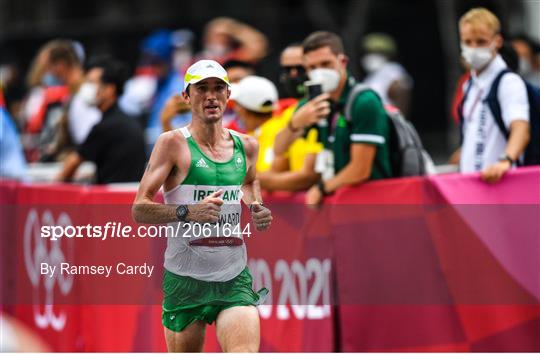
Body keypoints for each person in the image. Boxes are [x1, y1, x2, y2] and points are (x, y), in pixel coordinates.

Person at [131, 59, 272, 352]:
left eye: (218, 88)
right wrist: (188, 212)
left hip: (233, 278)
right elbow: (140, 209)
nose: (211, 96)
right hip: (185, 280)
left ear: (228, 94)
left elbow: (249, 181)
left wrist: (256, 205)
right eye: (201, 89)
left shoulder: (247, 145)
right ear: (187, 96)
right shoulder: (172, 144)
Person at [276, 32, 392, 206]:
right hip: (343, 206)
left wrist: (322, 188)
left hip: (376, 202)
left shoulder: (363, 101)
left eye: (326, 64)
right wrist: (294, 124)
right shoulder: (313, 102)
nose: (319, 72)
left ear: (342, 61)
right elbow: (279, 148)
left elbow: (360, 170)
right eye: (312, 67)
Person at [457, 8, 530, 182]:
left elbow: (521, 128)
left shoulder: (508, 82)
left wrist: (505, 160)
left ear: (497, 41)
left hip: (500, 186)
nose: (473, 48)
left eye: (481, 41)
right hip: (473, 186)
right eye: (467, 42)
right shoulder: (469, 84)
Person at [56, 57, 146, 184]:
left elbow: (72, 164)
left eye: (91, 83)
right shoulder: (128, 122)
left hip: (112, 199)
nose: (86, 88)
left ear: (110, 89)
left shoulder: (105, 127)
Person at [257, 43, 322, 192]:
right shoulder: (289, 113)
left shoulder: (322, 108)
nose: (293, 75)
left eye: (300, 68)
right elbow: (280, 160)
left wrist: (243, 178)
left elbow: (308, 176)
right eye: (287, 69)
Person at [229, 75, 279, 172]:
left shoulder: (271, 135)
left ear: (243, 109)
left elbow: (263, 175)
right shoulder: (258, 133)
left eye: (237, 104)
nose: (235, 108)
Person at [360, 33, 413, 116]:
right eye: (369, 52)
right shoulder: (372, 76)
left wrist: (396, 122)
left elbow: (401, 92)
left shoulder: (393, 70)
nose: (371, 56)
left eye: (377, 52)